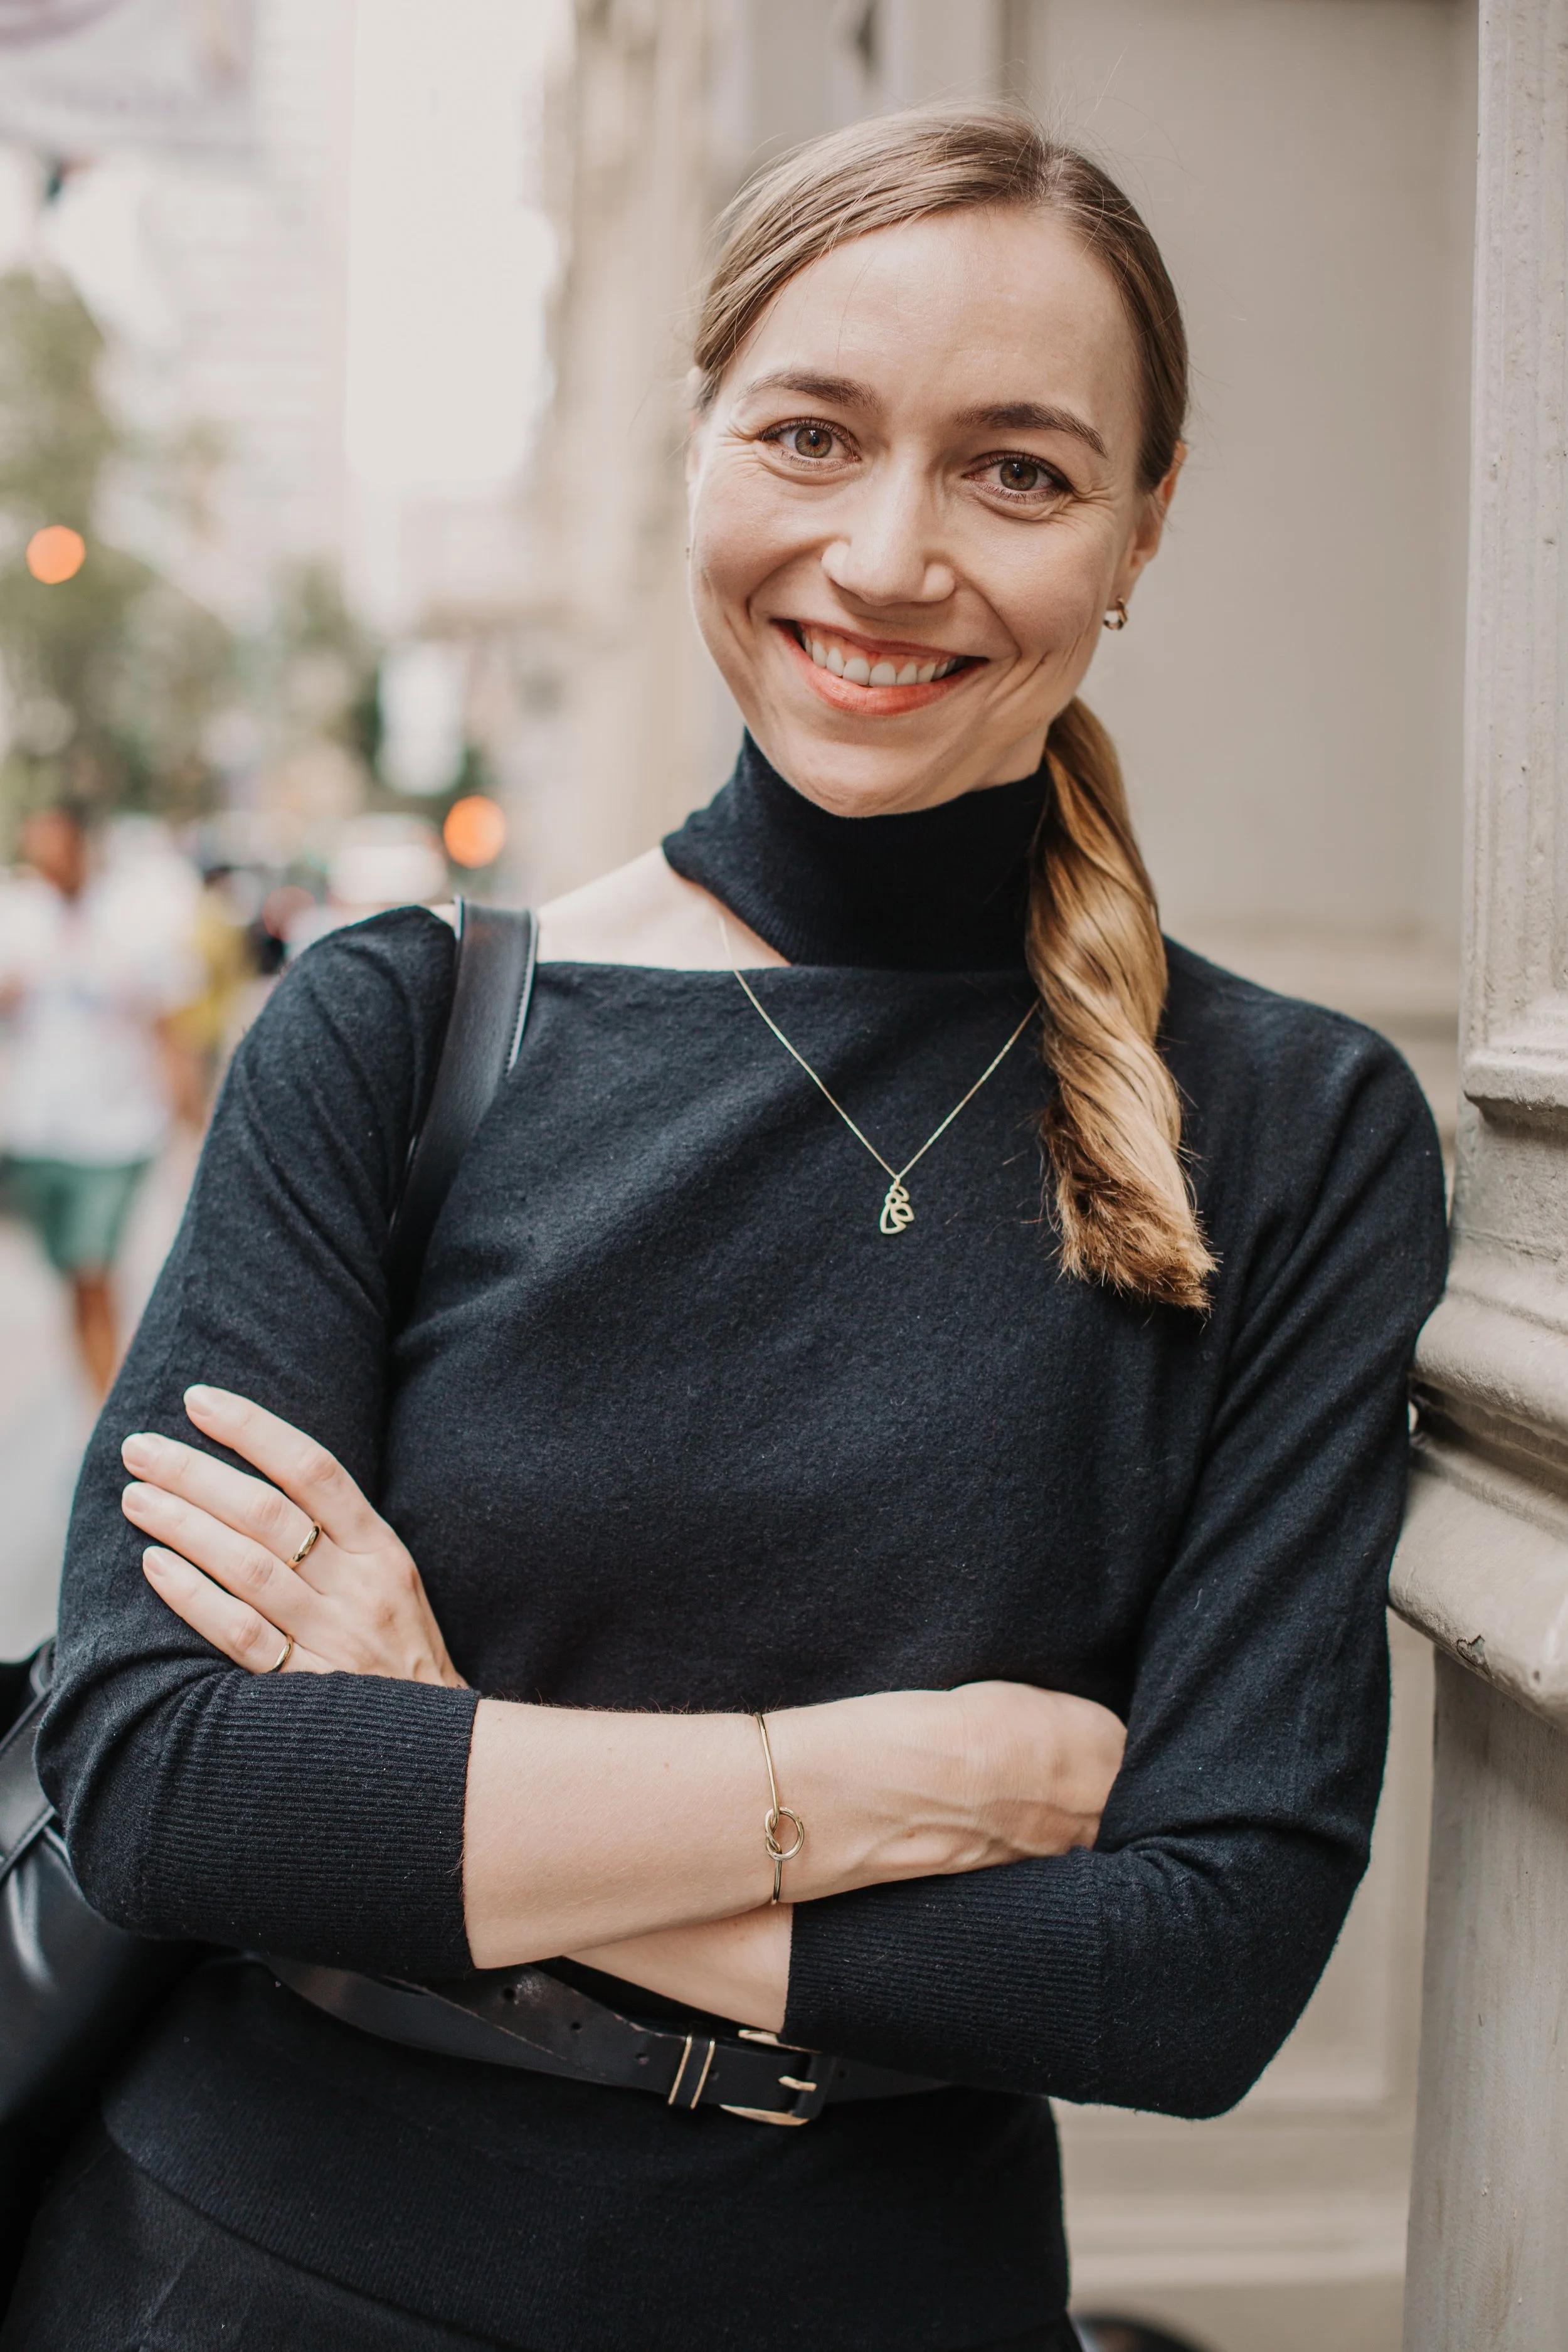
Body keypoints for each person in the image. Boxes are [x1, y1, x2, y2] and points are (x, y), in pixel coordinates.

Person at [11, 109, 1447, 2352]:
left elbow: (1192, 1964)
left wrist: (443, 1749)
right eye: (812, 431)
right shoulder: (396, 1023)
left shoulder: (1289, 1124)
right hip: (252, 2260)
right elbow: (159, 1775)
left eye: (1019, 471)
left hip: (872, 2287)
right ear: (703, 436)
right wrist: (871, 1784)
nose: (887, 553)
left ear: (1143, 524)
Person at [0, 805, 198, 1399]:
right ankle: (96, 1396)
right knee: (74, 1278)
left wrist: (197, 1120)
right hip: (38, 1135)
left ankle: (106, 1411)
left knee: (93, 1269)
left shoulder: (133, 918)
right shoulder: (16, 916)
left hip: (117, 1133)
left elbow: (169, 1027)